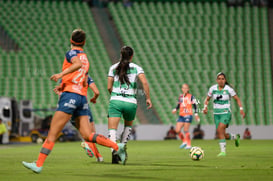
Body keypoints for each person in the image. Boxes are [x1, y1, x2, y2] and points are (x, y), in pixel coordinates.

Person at [22, 29, 126, 174]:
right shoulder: (86, 58)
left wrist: (60, 75)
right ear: (84, 42)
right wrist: (64, 84)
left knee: (53, 133)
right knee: (88, 135)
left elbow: (76, 65)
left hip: (70, 96)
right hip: (81, 97)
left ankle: (38, 164)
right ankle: (116, 147)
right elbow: (83, 81)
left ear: (71, 39)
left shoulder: (72, 54)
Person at [107, 46, 152, 164]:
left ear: (121, 55)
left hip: (116, 100)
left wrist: (115, 96)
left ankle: (114, 151)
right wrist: (148, 98)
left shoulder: (113, 68)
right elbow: (145, 83)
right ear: (132, 56)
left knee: (112, 129)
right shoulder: (137, 68)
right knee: (127, 126)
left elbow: (108, 87)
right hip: (130, 102)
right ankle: (121, 147)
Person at [54, 75, 103, 162]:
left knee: (84, 132)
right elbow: (97, 92)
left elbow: (61, 94)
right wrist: (94, 98)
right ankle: (98, 155)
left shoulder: (65, 77)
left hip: (71, 106)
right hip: (84, 106)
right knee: (91, 134)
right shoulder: (86, 76)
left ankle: (96, 154)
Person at [203, 72, 245, 157]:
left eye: (222, 79)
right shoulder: (213, 88)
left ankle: (223, 152)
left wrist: (241, 109)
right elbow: (207, 99)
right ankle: (234, 137)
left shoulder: (229, 89)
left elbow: (237, 99)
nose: (221, 80)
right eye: (219, 79)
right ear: (216, 80)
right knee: (221, 133)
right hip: (216, 114)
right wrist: (205, 107)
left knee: (219, 130)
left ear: (225, 80)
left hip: (225, 113)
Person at [172, 83, 200, 149]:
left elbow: (195, 105)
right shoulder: (181, 97)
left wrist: (196, 114)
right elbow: (179, 105)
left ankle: (189, 145)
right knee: (177, 130)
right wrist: (175, 109)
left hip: (188, 115)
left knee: (185, 130)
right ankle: (184, 141)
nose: (184, 89)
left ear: (188, 89)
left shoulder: (191, 96)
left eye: (186, 88)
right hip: (181, 115)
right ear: (182, 89)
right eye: (183, 88)